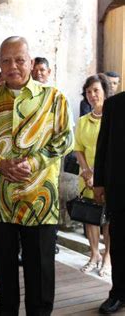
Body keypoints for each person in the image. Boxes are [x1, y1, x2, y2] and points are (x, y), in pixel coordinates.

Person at [0, 36, 73, 315]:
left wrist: (36, 161)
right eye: (6, 60)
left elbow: (65, 139)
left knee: (39, 270)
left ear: (30, 62)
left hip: (39, 199)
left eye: (19, 59)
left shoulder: (54, 99)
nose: (12, 65)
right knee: (4, 270)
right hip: (0, 201)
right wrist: (0, 163)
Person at [74, 74, 111, 277]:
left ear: (105, 91)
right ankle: (94, 254)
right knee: (90, 216)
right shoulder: (82, 121)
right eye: (88, 92)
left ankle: (107, 258)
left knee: (109, 219)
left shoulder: (113, 117)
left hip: (108, 176)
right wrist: (87, 171)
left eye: (96, 90)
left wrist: (98, 174)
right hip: (87, 178)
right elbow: (78, 148)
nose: (92, 95)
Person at [94, 90, 125, 314]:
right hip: (120, 187)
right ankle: (118, 294)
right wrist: (99, 183)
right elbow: (102, 145)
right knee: (120, 243)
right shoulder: (114, 105)